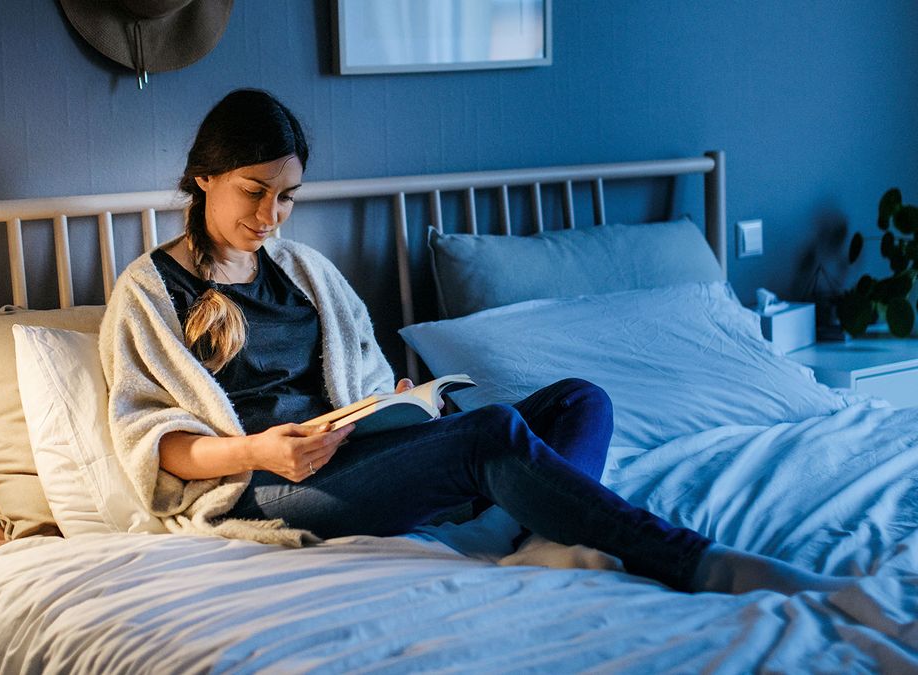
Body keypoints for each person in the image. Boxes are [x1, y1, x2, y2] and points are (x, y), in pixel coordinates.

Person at [98, 88, 854, 595]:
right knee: (494, 433)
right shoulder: (149, 291)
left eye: (287, 196)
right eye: (253, 190)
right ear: (204, 178)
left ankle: (535, 531)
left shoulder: (304, 271)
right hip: (265, 485)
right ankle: (695, 559)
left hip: (353, 453)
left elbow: (357, 373)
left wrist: (394, 400)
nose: (271, 215)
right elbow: (151, 436)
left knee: (578, 399)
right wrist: (259, 452)